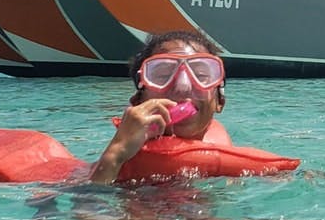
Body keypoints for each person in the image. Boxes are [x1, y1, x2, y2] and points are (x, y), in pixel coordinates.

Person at [90, 30, 228, 184]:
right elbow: (85, 204)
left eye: (201, 75)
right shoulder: (119, 161)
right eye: (162, 76)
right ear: (138, 102)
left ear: (219, 102)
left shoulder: (227, 158)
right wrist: (114, 156)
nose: (183, 87)